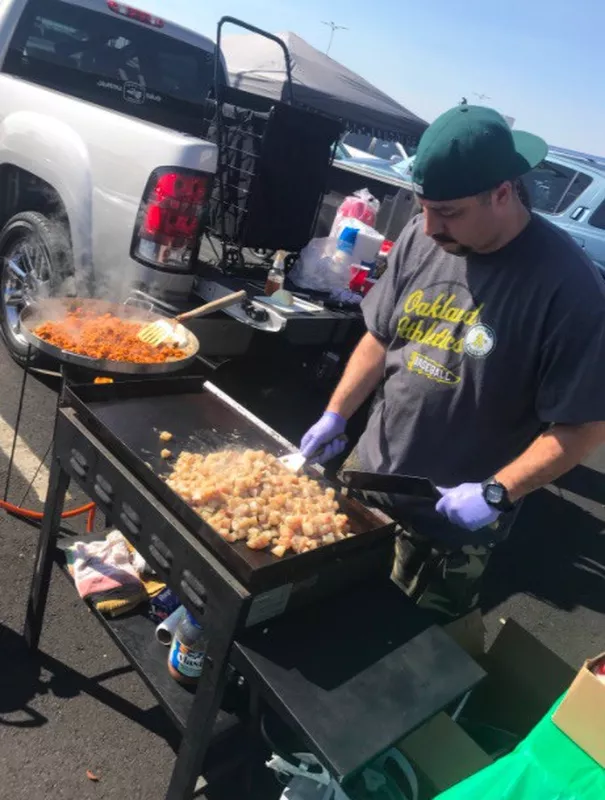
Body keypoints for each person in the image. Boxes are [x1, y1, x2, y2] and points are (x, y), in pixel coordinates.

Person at [300, 104, 605, 623]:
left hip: (449, 523)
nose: (430, 225)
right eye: (424, 206)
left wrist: (497, 492)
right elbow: (380, 336)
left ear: (503, 193)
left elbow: (584, 425)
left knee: (403, 652)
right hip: (368, 478)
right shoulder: (423, 238)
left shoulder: (570, 288)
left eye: (449, 212)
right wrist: (337, 413)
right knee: (319, 611)